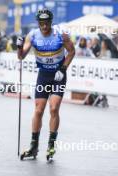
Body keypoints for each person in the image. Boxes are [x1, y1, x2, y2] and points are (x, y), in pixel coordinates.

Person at [16, 8, 75, 160]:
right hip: (43, 76)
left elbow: (72, 52)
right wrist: (18, 47)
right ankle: (34, 146)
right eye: (41, 23)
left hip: (58, 76)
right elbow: (21, 57)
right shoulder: (33, 35)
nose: (44, 26)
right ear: (38, 23)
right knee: (38, 110)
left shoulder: (61, 34)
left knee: (54, 108)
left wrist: (63, 68)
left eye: (46, 23)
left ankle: (51, 145)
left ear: (51, 22)